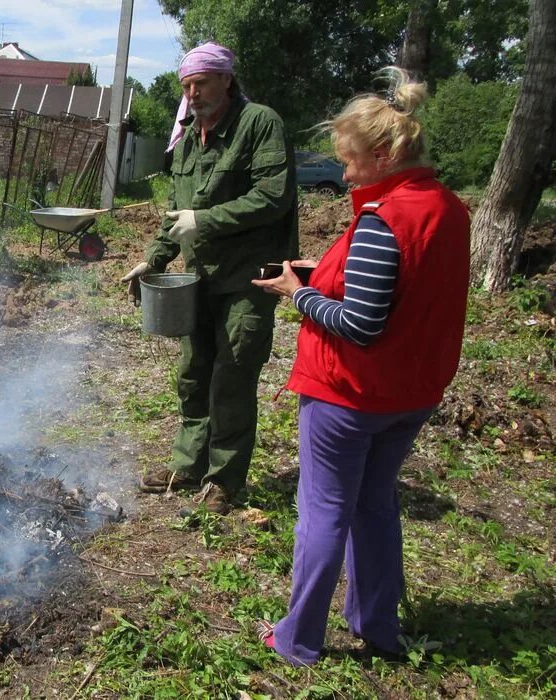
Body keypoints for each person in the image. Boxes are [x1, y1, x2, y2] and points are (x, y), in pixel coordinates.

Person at [251, 67, 470, 666]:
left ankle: (297, 639)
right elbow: (407, 285)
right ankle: (376, 624)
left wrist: (298, 292)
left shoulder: (383, 218)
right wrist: (327, 268)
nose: (343, 173)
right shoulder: (447, 207)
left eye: (348, 161)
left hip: (351, 394)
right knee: (375, 504)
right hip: (412, 392)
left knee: (324, 511)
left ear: (381, 156)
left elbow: (361, 323)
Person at [122, 42, 298, 514]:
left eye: (201, 82)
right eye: (187, 85)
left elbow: (272, 196)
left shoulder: (259, 123)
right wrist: (154, 259)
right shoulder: (188, 135)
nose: (194, 92)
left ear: (225, 79)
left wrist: (206, 219)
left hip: (250, 276)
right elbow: (174, 213)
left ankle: (224, 480)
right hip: (200, 276)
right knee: (194, 373)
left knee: (233, 375)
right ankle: (188, 465)